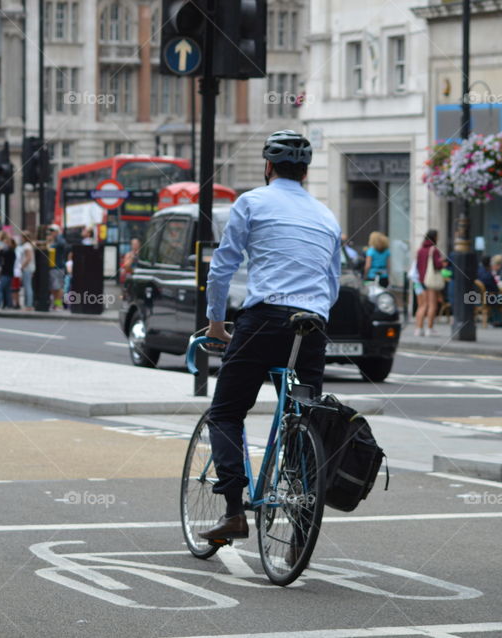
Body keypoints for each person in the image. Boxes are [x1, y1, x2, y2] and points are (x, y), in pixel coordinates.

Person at [197, 130, 341, 545]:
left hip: (263, 318)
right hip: (311, 323)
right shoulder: (326, 215)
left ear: (267, 167)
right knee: (304, 415)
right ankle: (301, 522)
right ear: (306, 172)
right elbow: (331, 284)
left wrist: (216, 322)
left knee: (226, 412)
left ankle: (232, 512)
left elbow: (223, 266)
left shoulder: (252, 202)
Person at [413, 229, 445, 337]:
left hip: (420, 280)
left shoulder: (420, 250)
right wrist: (443, 263)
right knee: (432, 305)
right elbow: (438, 265)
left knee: (422, 305)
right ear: (434, 237)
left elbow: (417, 266)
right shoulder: (434, 250)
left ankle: (418, 328)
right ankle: (429, 329)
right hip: (430, 281)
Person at [47, 224, 68, 310]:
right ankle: (55, 304)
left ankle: (58, 305)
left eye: (53, 231)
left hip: (57, 267)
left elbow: (62, 244)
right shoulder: (54, 240)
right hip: (53, 267)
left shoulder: (59, 240)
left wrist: (58, 235)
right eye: (50, 231)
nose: (51, 233)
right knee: (53, 287)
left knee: (58, 287)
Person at [0, 231, 15, 310]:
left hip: (6, 273)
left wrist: (0, 250)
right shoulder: (11, 251)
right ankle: (9, 304)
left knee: (0, 289)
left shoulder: (8, 251)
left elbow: (0, 255)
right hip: (9, 273)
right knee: (7, 290)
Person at [19, 231, 35, 309]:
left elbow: (28, 258)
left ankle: (29, 305)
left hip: (27, 268)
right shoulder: (28, 245)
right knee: (27, 286)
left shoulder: (27, 246)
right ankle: (27, 304)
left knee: (28, 286)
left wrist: (22, 266)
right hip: (28, 268)